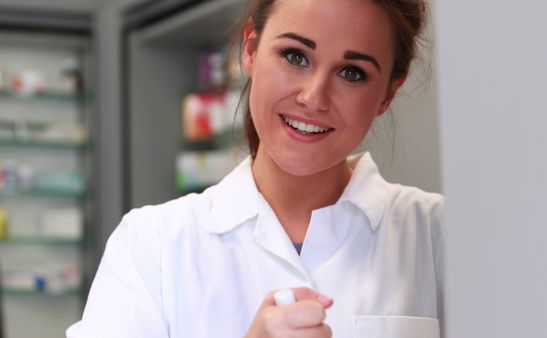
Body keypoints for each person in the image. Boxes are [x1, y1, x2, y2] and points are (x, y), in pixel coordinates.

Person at [67, 0, 443, 337]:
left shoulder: (438, 235)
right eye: (295, 56)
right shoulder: (154, 245)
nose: (313, 97)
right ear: (250, 49)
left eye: (352, 73)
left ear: (388, 94)